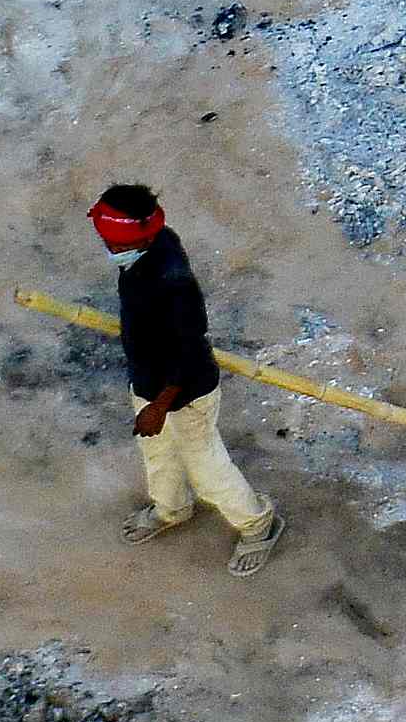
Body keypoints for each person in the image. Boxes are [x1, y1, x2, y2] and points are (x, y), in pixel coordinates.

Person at [90, 182, 275, 568]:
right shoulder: (143, 254)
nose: (107, 247)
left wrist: (159, 406)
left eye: (112, 241)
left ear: (132, 237)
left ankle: (259, 525)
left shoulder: (173, 283)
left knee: (207, 469)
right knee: (158, 455)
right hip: (147, 380)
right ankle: (172, 510)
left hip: (185, 394)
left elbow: (188, 350)